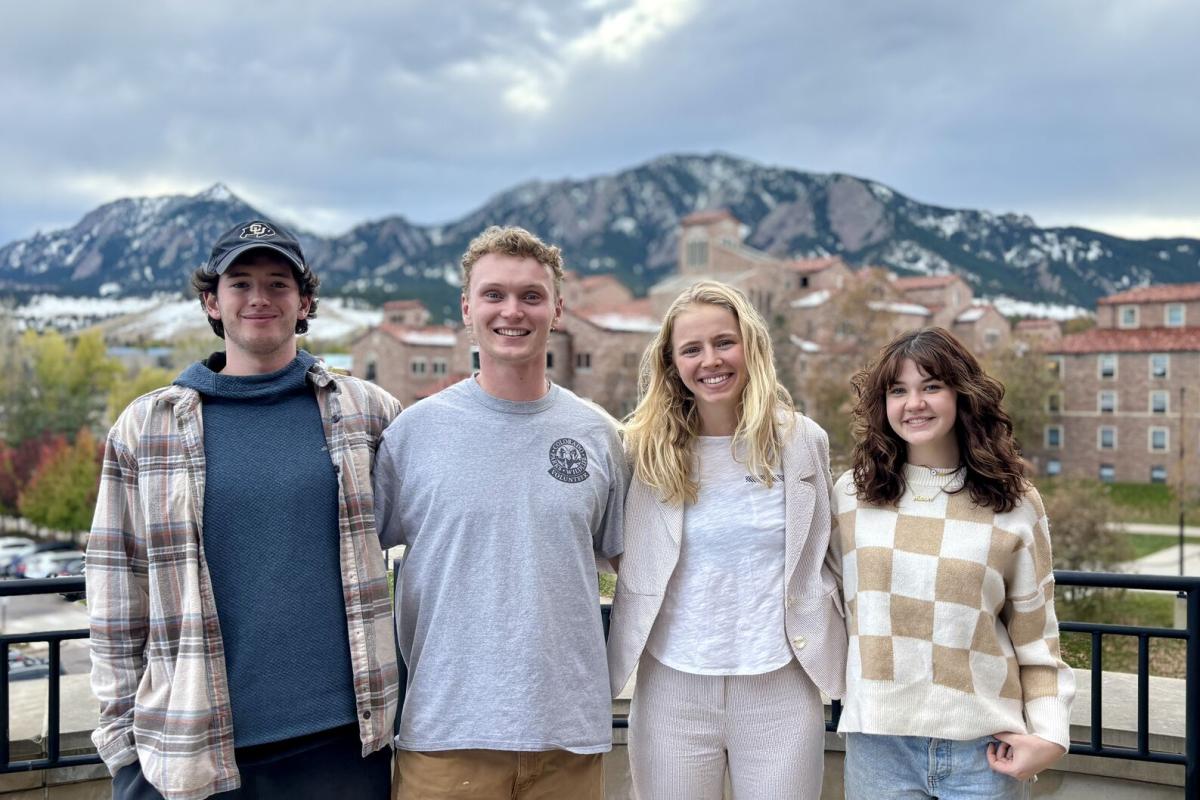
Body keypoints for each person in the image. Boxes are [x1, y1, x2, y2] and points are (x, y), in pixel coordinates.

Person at [87, 219, 402, 800]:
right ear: (212, 300)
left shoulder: (367, 412)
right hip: (191, 748)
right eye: (241, 283)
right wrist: (123, 750)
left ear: (305, 301)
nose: (260, 298)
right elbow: (115, 588)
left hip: (340, 746)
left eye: (278, 283)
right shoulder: (146, 426)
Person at [373, 225, 628, 799]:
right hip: (443, 737)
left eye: (531, 296)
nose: (512, 311)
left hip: (569, 742)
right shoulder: (413, 435)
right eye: (494, 294)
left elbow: (638, 570)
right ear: (467, 308)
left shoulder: (598, 436)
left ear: (557, 309)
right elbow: (352, 565)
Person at [607, 280, 847, 799]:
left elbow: (832, 553)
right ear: (672, 364)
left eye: (723, 342)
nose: (710, 360)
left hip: (782, 682)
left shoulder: (804, 442)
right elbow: (608, 544)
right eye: (691, 349)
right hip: (672, 682)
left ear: (750, 346)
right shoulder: (640, 451)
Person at [834, 326, 1075, 799]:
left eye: (931, 386)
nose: (913, 403)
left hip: (985, 751)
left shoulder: (1016, 502)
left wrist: (1050, 736)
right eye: (898, 390)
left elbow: (1036, 636)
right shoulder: (851, 494)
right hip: (878, 746)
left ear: (962, 395)